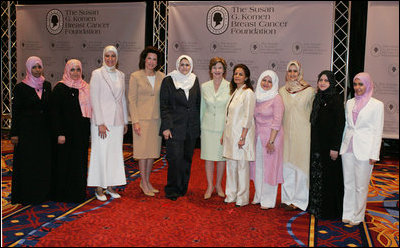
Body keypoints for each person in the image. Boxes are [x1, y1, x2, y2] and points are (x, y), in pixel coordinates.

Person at [339, 72, 384, 226]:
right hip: (348, 148)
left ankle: (357, 216)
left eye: (361, 84)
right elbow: (347, 126)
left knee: (361, 186)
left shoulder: (377, 105)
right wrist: (342, 147)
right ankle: (347, 213)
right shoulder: (349, 102)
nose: (357, 87)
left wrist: (374, 154)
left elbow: (378, 131)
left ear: (368, 84)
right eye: (355, 84)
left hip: (365, 150)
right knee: (349, 184)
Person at [87, 45, 129, 201]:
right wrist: (100, 122)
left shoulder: (121, 75)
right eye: (107, 56)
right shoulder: (97, 74)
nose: (110, 59)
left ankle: (111, 186)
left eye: (113, 56)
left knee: (115, 154)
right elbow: (94, 98)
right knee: (100, 154)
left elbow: (122, 99)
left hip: (117, 122)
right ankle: (99, 188)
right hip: (102, 122)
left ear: (117, 58)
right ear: (103, 57)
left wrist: (125, 121)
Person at [10, 56, 52, 205]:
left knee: (42, 162)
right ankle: (27, 194)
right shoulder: (21, 87)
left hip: (43, 132)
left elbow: (49, 110)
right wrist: (14, 133)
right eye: (34, 67)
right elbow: (16, 111)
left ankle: (42, 193)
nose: (37, 70)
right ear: (28, 69)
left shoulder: (47, 85)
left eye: (39, 67)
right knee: (28, 163)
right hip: (26, 132)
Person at [160, 55, 201, 201]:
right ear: (178, 65)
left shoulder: (194, 80)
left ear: (191, 66)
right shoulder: (169, 81)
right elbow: (164, 106)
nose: (185, 67)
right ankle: (172, 189)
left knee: (186, 159)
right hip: (174, 127)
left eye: (187, 65)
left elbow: (197, 104)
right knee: (174, 159)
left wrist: (197, 127)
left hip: (190, 128)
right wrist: (166, 127)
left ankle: (183, 188)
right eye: (182, 65)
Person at [50, 59, 91, 203]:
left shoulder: (85, 87)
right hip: (65, 134)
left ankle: (77, 193)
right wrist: (59, 133)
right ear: (67, 71)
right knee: (64, 163)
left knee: (79, 163)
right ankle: (61, 193)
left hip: (81, 133)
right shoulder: (60, 88)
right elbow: (55, 113)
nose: (75, 73)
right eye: (72, 70)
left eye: (78, 70)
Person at [307, 70, 345, 219]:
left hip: (330, 148)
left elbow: (339, 126)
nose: (322, 83)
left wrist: (335, 148)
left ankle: (329, 211)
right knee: (317, 177)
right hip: (317, 146)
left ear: (332, 83)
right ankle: (316, 208)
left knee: (329, 179)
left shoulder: (335, 100)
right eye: (320, 80)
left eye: (326, 80)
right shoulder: (317, 98)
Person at [279, 60, 315, 211]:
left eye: (295, 71)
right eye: (290, 71)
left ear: (300, 72)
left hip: (303, 134)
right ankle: (287, 199)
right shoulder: (281, 91)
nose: (292, 74)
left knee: (301, 167)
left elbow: (314, 114)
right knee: (287, 166)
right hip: (286, 133)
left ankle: (300, 200)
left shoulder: (309, 91)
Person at [129, 46, 165, 197]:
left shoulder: (162, 77)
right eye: (149, 58)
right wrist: (135, 121)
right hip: (141, 121)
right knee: (142, 153)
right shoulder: (135, 76)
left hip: (156, 120)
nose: (151, 62)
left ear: (158, 62)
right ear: (144, 59)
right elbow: (132, 100)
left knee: (152, 153)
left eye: (154, 59)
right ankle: (143, 182)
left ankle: (147, 181)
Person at [250, 70, 284, 210]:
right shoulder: (256, 96)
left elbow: (277, 120)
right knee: (257, 167)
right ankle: (258, 195)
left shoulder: (276, 98)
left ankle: (268, 200)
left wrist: (271, 141)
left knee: (270, 168)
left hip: (272, 137)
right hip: (258, 137)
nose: (266, 84)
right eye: (264, 80)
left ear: (274, 83)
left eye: (270, 81)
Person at [222, 64, 256, 207]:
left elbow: (248, 117)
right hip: (231, 136)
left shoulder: (248, 93)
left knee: (242, 167)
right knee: (230, 166)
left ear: (246, 77)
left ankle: (242, 198)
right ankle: (230, 195)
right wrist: (224, 134)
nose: (237, 76)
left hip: (242, 136)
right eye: (235, 73)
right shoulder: (234, 92)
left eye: (240, 74)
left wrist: (243, 137)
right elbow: (228, 117)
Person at [200, 57, 230, 199]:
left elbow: (230, 110)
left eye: (220, 68)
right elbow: (202, 108)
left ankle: (218, 185)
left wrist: (227, 130)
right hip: (207, 128)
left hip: (222, 128)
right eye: (214, 68)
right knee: (209, 158)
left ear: (224, 70)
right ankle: (209, 186)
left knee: (221, 159)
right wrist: (201, 127)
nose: (217, 70)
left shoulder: (230, 86)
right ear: (210, 70)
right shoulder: (204, 86)